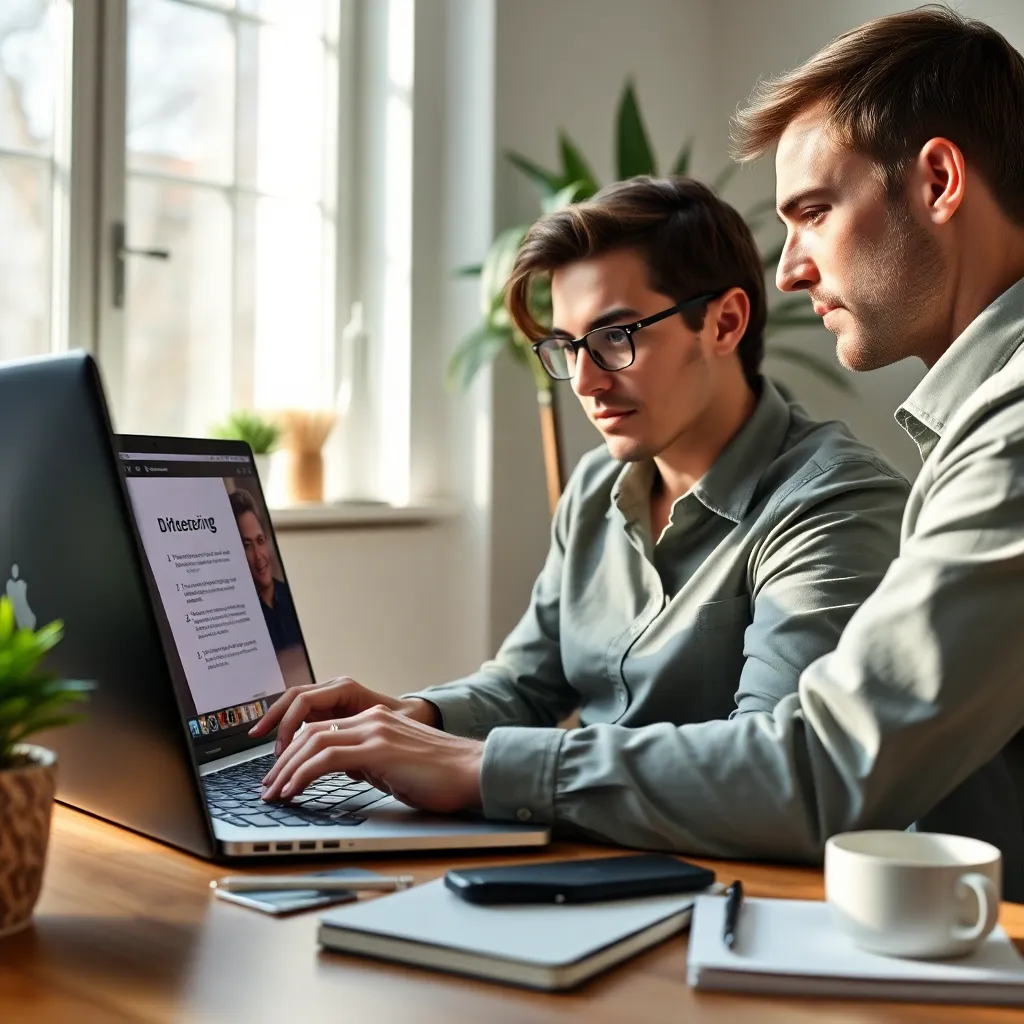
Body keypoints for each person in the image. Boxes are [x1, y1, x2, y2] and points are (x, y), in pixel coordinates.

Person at [252, 176, 911, 839]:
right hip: (587, 855)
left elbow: (776, 777)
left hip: (735, 893)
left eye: (617, 336)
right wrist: (412, 720)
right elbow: (527, 685)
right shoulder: (597, 486)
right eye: (568, 348)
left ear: (724, 322)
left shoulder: (834, 504)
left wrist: (482, 768)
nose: (589, 381)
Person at [229, 487, 302, 654]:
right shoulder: (238, 617)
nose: (259, 556)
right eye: (247, 546)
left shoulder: (290, 598)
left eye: (260, 541)